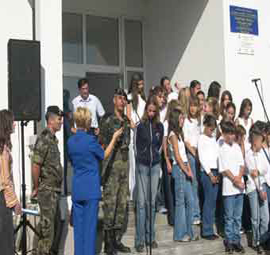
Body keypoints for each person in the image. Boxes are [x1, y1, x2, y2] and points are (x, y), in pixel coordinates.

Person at [67, 107, 124, 255]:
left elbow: (73, 161)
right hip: (91, 189)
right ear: (87, 122)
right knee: (90, 230)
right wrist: (114, 138)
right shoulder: (91, 141)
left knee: (78, 231)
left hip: (77, 189)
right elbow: (103, 155)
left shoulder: (70, 142)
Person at [99, 88, 131, 255]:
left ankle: (117, 240)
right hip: (111, 168)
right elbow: (102, 145)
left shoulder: (126, 120)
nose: (122, 101)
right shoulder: (107, 120)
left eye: (124, 99)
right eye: (119, 98)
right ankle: (107, 243)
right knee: (110, 205)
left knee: (121, 204)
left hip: (125, 168)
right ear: (114, 100)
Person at [32, 106, 64, 255]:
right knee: (47, 233)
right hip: (47, 191)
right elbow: (36, 165)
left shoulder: (53, 139)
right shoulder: (44, 138)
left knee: (55, 227)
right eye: (59, 119)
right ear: (51, 120)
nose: (61, 122)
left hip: (55, 191)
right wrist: (36, 187)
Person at [135, 96, 164, 252]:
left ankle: (150, 237)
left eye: (154, 111)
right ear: (146, 110)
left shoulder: (160, 126)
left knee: (151, 203)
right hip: (143, 166)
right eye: (149, 110)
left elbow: (159, 145)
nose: (152, 113)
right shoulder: (141, 126)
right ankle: (139, 240)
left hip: (154, 166)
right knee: (141, 203)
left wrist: (156, 155)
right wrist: (142, 155)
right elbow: (136, 146)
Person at [218, 121, 245, 254]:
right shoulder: (222, 148)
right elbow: (224, 169)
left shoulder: (237, 147)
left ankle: (236, 240)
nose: (230, 136)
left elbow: (241, 164)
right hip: (229, 188)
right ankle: (229, 241)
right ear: (223, 134)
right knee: (229, 217)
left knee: (237, 217)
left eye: (232, 133)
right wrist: (235, 180)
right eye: (228, 134)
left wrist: (240, 178)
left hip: (239, 188)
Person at [168, 108, 194, 242]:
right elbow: (177, 157)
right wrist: (186, 170)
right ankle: (179, 234)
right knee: (180, 203)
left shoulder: (180, 134)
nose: (183, 121)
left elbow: (184, 155)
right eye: (181, 118)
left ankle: (190, 231)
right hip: (179, 169)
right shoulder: (172, 135)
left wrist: (189, 169)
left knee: (190, 201)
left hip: (184, 167)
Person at [0, 110, 22, 255]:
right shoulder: (3, 150)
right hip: (2, 199)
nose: (15, 124)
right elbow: (5, 180)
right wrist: (14, 202)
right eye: (12, 121)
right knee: (6, 243)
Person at [245, 126, 270, 254]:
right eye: (261, 141)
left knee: (265, 217)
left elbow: (265, 168)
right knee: (256, 217)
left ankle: (263, 238)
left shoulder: (261, 153)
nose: (263, 143)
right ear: (256, 142)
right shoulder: (249, 155)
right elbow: (254, 177)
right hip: (254, 189)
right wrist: (260, 190)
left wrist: (258, 170)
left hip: (262, 187)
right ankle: (256, 242)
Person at [198, 114, 219, 240]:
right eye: (210, 128)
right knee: (208, 201)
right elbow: (202, 158)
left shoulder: (213, 139)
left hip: (216, 171)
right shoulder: (202, 139)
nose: (212, 131)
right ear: (205, 126)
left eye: (213, 129)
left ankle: (210, 229)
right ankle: (206, 230)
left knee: (212, 202)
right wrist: (210, 174)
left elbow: (216, 155)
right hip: (207, 173)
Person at [126, 73, 146, 200]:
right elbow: (128, 115)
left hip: (141, 132)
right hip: (133, 133)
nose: (142, 86)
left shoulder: (142, 98)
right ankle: (132, 194)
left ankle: (140, 193)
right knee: (133, 165)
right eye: (140, 84)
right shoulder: (129, 98)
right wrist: (133, 125)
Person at [183, 96, 201, 225]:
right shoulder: (186, 121)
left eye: (195, 105)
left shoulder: (200, 121)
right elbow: (186, 140)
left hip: (201, 154)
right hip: (191, 153)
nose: (193, 108)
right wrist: (194, 153)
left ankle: (198, 212)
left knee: (200, 185)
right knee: (194, 185)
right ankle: (195, 214)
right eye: (191, 105)